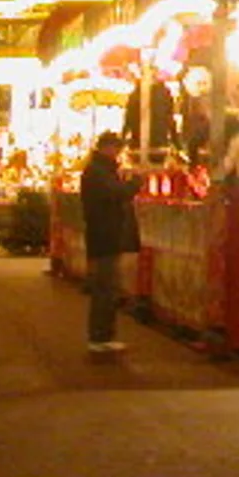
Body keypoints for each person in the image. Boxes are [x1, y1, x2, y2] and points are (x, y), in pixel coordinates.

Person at [81, 132, 143, 353]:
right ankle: (100, 337)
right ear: (107, 148)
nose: (118, 153)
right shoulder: (99, 172)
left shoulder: (99, 170)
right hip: (104, 235)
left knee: (106, 286)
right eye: (116, 149)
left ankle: (102, 335)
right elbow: (116, 194)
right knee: (105, 287)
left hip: (103, 235)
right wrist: (135, 183)